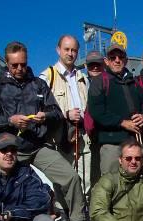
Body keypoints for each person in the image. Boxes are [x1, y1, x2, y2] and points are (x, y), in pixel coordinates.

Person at [0, 41, 88, 221]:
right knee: (6, 190)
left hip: (37, 146)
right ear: (7, 63)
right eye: (15, 65)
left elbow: (55, 111)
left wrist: (44, 115)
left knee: (71, 177)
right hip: (11, 150)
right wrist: (9, 121)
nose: (20, 69)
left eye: (23, 64)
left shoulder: (38, 84)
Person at [87, 44, 143, 177]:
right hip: (111, 144)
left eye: (121, 57)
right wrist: (122, 122)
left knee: (136, 183)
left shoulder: (133, 82)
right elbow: (96, 111)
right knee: (111, 184)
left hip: (133, 143)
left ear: (126, 60)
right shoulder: (99, 81)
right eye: (113, 57)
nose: (117, 60)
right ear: (106, 61)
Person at [40, 35, 92, 196]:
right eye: (67, 49)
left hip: (82, 138)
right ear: (58, 50)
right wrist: (65, 114)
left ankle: (83, 217)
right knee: (63, 183)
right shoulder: (47, 77)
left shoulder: (83, 78)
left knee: (85, 182)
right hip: (60, 139)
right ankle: (65, 217)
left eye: (74, 50)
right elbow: (40, 110)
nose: (70, 53)